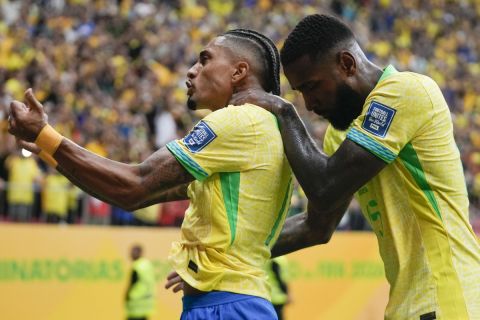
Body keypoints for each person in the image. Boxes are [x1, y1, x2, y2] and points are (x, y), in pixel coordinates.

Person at [8, 29, 292, 320]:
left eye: (204, 60)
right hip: (233, 300)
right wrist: (48, 150)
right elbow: (132, 195)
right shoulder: (264, 129)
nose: (192, 71)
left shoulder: (237, 121)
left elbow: (135, 187)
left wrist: (46, 136)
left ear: (239, 71)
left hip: (226, 307)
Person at [231, 14, 480, 320]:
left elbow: (325, 188)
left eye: (312, 86)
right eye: (300, 94)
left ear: (347, 64)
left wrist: (283, 111)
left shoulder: (406, 91)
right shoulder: (341, 134)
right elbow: (316, 226)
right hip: (407, 306)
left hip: (449, 299)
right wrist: (229, 252)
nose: (309, 104)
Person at [125, 244, 156, 320]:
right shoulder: (147, 264)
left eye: (134, 251)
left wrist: (126, 295)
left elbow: (132, 283)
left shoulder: (137, 266)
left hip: (136, 304)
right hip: (146, 304)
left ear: (140, 252)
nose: (131, 254)